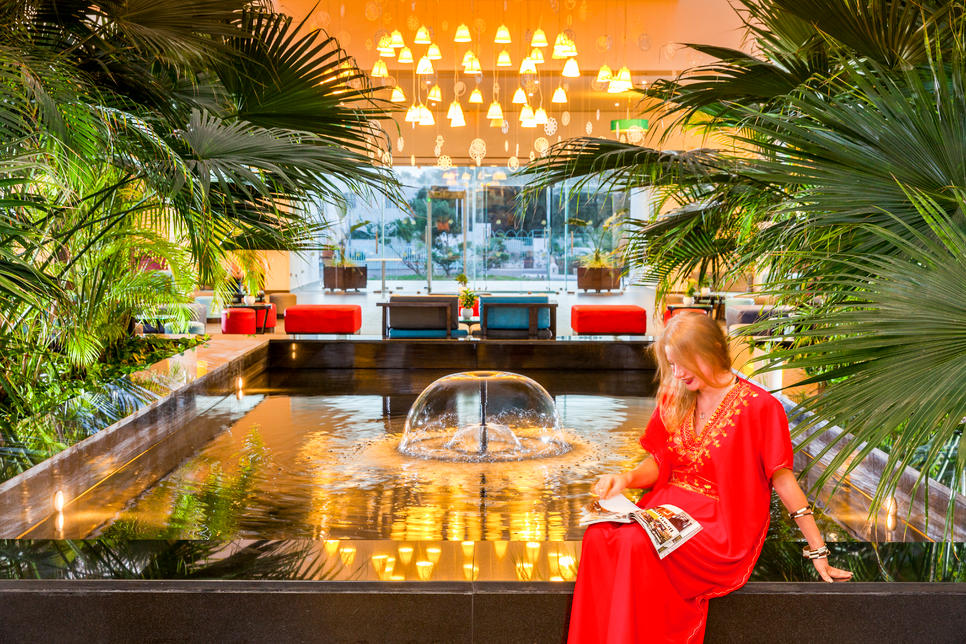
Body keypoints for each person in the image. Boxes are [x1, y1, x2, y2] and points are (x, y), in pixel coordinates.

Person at [568, 312, 852, 643]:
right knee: (598, 537)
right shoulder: (676, 397)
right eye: (672, 364)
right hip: (666, 506)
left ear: (714, 349)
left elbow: (783, 479)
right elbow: (661, 461)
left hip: (720, 525)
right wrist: (625, 478)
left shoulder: (761, 407)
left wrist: (818, 549)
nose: (678, 373)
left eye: (685, 363)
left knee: (633, 545)